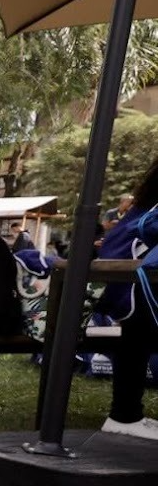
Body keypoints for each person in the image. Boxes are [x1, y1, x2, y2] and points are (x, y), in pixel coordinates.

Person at [95, 163, 158, 440]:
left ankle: (125, 414)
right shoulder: (148, 209)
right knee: (139, 332)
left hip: (125, 291)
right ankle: (125, 414)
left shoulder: (146, 202)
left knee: (138, 335)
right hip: (137, 290)